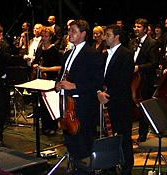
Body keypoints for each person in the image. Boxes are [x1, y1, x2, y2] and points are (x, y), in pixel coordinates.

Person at [55, 19, 103, 174]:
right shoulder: (68, 53)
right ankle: (74, 168)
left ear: (83, 34)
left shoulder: (92, 54)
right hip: (67, 105)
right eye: (69, 31)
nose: (70, 34)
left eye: (73, 31)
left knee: (82, 146)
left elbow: (97, 82)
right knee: (70, 142)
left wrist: (75, 86)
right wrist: (58, 83)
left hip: (82, 108)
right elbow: (63, 74)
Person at [97, 24, 135, 175]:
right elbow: (100, 76)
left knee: (123, 136)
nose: (105, 37)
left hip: (120, 102)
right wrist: (99, 91)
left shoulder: (126, 54)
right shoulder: (104, 54)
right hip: (105, 99)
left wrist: (107, 95)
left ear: (117, 36)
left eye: (108, 34)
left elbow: (124, 80)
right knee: (108, 136)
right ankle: (110, 165)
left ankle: (126, 168)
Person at [130, 18, 159, 142]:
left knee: (143, 107)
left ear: (146, 29)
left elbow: (154, 63)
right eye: (135, 26)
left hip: (145, 80)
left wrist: (138, 67)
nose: (136, 29)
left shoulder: (152, 43)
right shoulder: (132, 42)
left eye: (139, 27)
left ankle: (143, 134)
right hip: (132, 80)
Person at [31, 27, 62, 135]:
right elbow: (36, 61)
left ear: (51, 37)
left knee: (51, 105)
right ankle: (45, 126)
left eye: (46, 36)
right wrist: (35, 65)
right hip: (41, 79)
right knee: (43, 105)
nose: (44, 38)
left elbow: (60, 67)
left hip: (51, 80)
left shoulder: (54, 50)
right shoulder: (40, 48)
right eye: (42, 36)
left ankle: (53, 126)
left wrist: (45, 69)